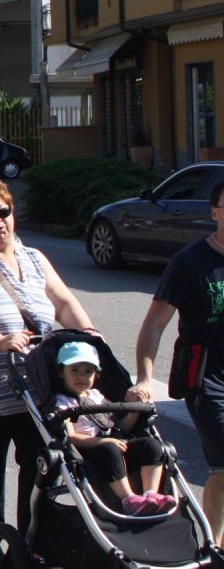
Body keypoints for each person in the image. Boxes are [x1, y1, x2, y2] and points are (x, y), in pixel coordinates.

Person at [0, 180, 96, 564]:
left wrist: (91, 337)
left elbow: (64, 303)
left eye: (3, 212)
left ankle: (31, 537)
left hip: (34, 388)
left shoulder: (34, 258)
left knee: (41, 462)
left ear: (13, 213)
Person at [131, 176, 224, 544]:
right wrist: (144, 377)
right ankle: (213, 546)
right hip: (207, 379)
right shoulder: (189, 262)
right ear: (215, 213)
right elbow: (154, 325)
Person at [53, 341, 174, 516]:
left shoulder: (96, 395)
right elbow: (70, 437)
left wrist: (134, 412)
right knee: (109, 448)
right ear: (60, 372)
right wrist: (103, 441)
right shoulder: (61, 401)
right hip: (88, 451)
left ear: (96, 374)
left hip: (114, 443)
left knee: (151, 445)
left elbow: (118, 427)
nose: (81, 377)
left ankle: (150, 494)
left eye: (88, 372)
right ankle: (129, 500)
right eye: (74, 370)